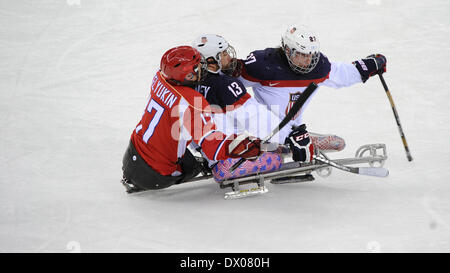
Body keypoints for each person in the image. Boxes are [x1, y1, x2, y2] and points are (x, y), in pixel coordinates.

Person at [121, 46, 264, 193]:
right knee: (193, 165)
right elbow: (212, 146)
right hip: (156, 175)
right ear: (189, 76)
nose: (203, 68)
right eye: (198, 67)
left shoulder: (159, 77)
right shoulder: (192, 103)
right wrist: (239, 146)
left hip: (133, 152)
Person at [231, 24, 387, 152]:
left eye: (311, 55)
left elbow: (341, 74)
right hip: (263, 131)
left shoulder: (319, 67)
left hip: (294, 131)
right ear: (287, 50)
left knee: (338, 143)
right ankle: (264, 147)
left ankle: (292, 143)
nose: (308, 61)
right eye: (302, 54)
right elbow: (230, 88)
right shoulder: (263, 65)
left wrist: (368, 66)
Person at [191, 34, 315, 168]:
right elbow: (255, 117)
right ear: (211, 60)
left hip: (207, 150)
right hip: (228, 161)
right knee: (277, 158)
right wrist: (289, 135)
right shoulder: (223, 84)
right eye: (224, 54)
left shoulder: (191, 81)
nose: (229, 57)